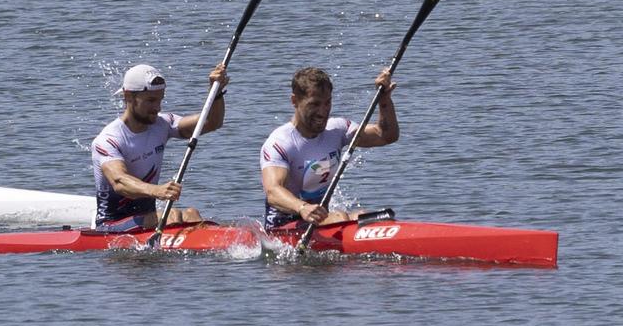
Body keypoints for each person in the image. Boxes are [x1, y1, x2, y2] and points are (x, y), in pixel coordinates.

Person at [90, 62, 228, 231]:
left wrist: (217, 92)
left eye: (160, 99)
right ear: (128, 97)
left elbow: (211, 122)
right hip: (112, 225)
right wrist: (157, 190)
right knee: (172, 215)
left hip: (149, 220)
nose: (158, 107)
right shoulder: (108, 139)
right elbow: (120, 182)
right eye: (150, 101)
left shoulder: (162, 124)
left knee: (192, 213)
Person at [259, 66, 396, 230]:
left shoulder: (337, 130)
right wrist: (302, 207)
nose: (323, 111)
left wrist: (384, 100)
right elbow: (273, 191)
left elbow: (386, 135)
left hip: (321, 220)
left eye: (327, 102)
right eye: (315, 104)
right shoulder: (280, 142)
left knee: (375, 218)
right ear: (294, 101)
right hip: (283, 225)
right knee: (340, 218)